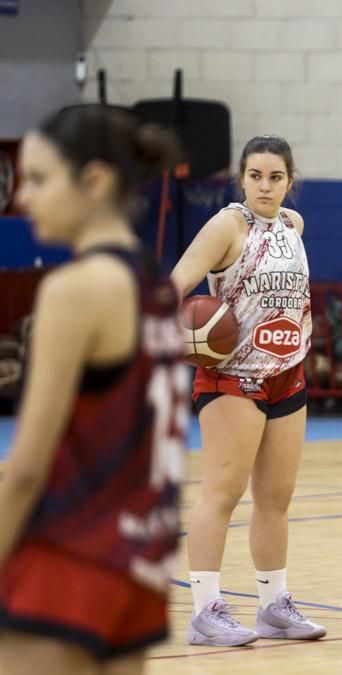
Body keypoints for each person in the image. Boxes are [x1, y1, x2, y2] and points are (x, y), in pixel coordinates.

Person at [0, 104, 189, 674]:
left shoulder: (75, 289)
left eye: (39, 179)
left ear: (95, 181)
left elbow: (27, 469)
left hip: (66, 558)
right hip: (138, 567)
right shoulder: (156, 286)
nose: (23, 197)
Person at [170, 135, 324, 645]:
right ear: (242, 179)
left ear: (290, 181)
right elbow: (175, 284)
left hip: (288, 373)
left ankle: (274, 606)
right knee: (222, 493)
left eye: (275, 177)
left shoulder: (294, 225)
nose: (265, 185)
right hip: (233, 376)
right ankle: (205, 611)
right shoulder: (227, 226)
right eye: (255, 176)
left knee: (276, 498)